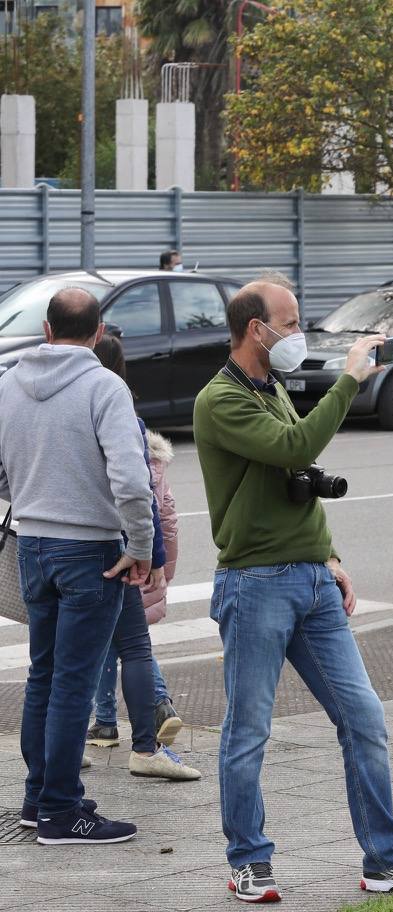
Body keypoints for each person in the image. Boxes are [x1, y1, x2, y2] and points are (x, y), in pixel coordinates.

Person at [193, 281, 393, 901]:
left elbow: (297, 477)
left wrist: (329, 554)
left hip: (308, 581)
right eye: (290, 321)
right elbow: (296, 445)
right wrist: (351, 378)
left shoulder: (272, 388)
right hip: (255, 584)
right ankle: (249, 860)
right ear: (257, 329)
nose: (298, 331)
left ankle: (386, 858)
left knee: (364, 717)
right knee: (248, 728)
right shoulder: (219, 400)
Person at [0, 288, 150, 845]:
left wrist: (32, 490)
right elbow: (131, 481)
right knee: (74, 684)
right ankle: (62, 812)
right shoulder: (105, 387)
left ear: (45, 327)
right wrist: (140, 544)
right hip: (90, 551)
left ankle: (38, 799)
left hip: (33, 546)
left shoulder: (8, 384)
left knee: (43, 675)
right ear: (98, 332)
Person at [83, 335, 199, 782]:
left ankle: (75, 740)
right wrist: (154, 559)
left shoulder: (50, 399)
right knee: (130, 645)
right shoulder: (122, 412)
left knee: (73, 650)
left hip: (62, 546)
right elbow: (150, 502)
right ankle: (148, 734)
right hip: (118, 549)